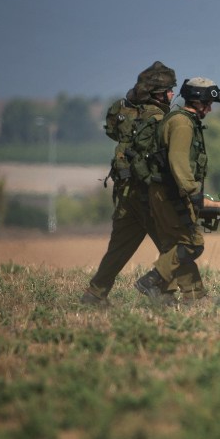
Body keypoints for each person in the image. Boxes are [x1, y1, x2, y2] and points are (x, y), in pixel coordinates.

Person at [80, 61, 176, 306]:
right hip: (147, 194)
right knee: (175, 244)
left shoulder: (125, 111)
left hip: (125, 193)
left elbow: (113, 133)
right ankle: (165, 293)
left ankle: (95, 294)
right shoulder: (158, 118)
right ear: (157, 93)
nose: (172, 94)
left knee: (119, 247)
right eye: (168, 91)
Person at [133, 77, 220, 306]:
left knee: (176, 247)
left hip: (166, 192)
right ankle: (151, 281)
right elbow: (178, 162)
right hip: (171, 194)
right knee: (191, 244)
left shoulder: (181, 120)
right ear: (198, 100)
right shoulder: (183, 124)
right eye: (208, 104)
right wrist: (192, 192)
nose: (210, 109)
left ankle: (192, 297)